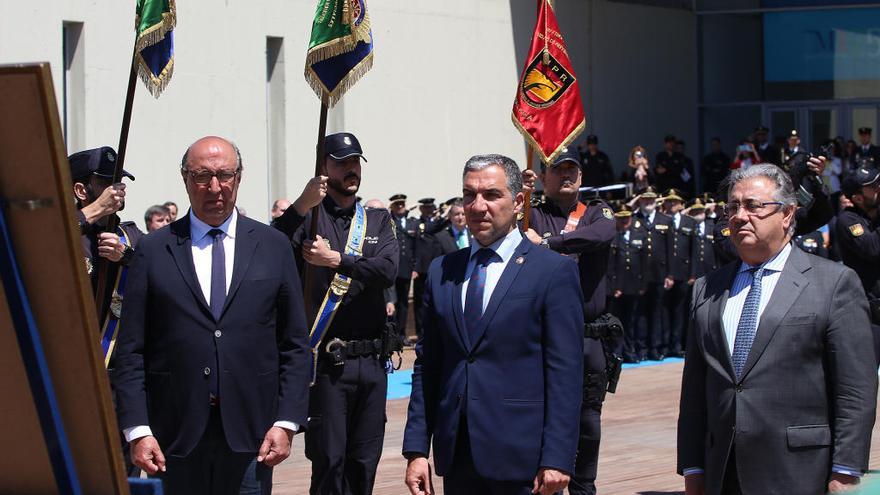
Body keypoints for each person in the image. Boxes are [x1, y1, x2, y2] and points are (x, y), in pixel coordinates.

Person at [112, 136, 311, 495]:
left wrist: (286, 422)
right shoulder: (153, 251)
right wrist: (138, 430)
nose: (215, 187)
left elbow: (295, 344)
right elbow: (131, 350)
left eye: (224, 175)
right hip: (172, 437)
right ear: (185, 179)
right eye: (202, 176)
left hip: (253, 435)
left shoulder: (273, 247)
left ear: (239, 176)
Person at [677, 163, 877, 495]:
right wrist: (693, 467)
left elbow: (855, 390)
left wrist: (845, 470)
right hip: (722, 472)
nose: (740, 216)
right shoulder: (707, 289)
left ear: (786, 214)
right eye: (733, 207)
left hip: (800, 472)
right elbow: (695, 390)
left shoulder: (833, 283)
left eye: (753, 206)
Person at [403, 153, 584, 495]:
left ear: (518, 202)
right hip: (457, 456)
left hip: (524, 461)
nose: (477, 205)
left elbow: (565, 372)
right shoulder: (443, 271)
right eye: (469, 195)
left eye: (491, 195)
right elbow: (429, 366)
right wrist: (416, 450)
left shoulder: (551, 271)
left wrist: (559, 456)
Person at [273, 132, 398, 495]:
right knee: (329, 461)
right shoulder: (307, 220)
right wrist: (299, 205)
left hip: (373, 361)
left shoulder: (376, 219)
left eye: (355, 161)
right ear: (323, 167)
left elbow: (387, 270)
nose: (351, 169)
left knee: (364, 460)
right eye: (342, 162)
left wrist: (336, 260)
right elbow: (267, 248)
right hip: (328, 363)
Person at [521, 147, 616, 495]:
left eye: (572, 170)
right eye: (557, 170)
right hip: (542, 337)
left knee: (587, 424)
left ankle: (584, 488)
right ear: (543, 176)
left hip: (587, 336)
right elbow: (511, 234)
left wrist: (549, 244)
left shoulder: (596, 212)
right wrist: (523, 194)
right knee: (542, 419)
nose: (566, 176)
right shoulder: (533, 214)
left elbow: (601, 235)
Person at [835, 166, 880, 362]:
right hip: (870, 311)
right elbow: (872, 249)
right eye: (873, 186)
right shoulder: (848, 220)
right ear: (858, 197)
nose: (879, 188)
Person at [633, 186, 673, 361]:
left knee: (657, 312)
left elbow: (671, 249)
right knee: (640, 313)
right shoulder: (634, 219)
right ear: (640, 200)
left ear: (656, 201)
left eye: (651, 199)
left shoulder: (665, 219)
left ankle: (655, 347)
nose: (648, 202)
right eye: (645, 199)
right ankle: (641, 348)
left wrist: (670, 274)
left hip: (659, 274)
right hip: (639, 275)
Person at [608, 204, 647, 363]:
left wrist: (643, 285)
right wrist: (614, 286)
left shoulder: (639, 235)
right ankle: (617, 352)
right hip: (617, 288)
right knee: (617, 322)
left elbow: (645, 264)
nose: (624, 221)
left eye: (627, 218)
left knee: (632, 321)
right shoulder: (612, 237)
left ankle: (631, 351)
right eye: (621, 218)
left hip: (634, 286)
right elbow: (610, 266)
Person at [661, 189, 695, 357]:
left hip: (683, 272)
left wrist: (692, 273)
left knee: (680, 310)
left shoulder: (689, 222)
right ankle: (665, 344)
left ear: (681, 204)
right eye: (669, 201)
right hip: (665, 273)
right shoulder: (660, 221)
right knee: (664, 310)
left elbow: (694, 251)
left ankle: (676, 345)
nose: (672, 204)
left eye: (675, 201)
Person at [412, 198, 445, 340]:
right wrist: (414, 267)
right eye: (425, 208)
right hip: (421, 269)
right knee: (419, 303)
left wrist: (443, 212)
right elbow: (413, 247)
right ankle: (421, 333)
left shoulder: (440, 223)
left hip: (437, 267)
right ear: (421, 209)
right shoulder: (416, 223)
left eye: (431, 208)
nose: (428, 210)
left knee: (437, 299)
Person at [389, 193, 418, 344]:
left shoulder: (412, 223)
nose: (400, 207)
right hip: (391, 268)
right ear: (392, 207)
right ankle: (391, 335)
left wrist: (415, 267)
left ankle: (401, 334)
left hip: (406, 269)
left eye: (402, 204)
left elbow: (416, 247)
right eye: (397, 204)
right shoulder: (388, 221)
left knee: (403, 303)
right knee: (390, 301)